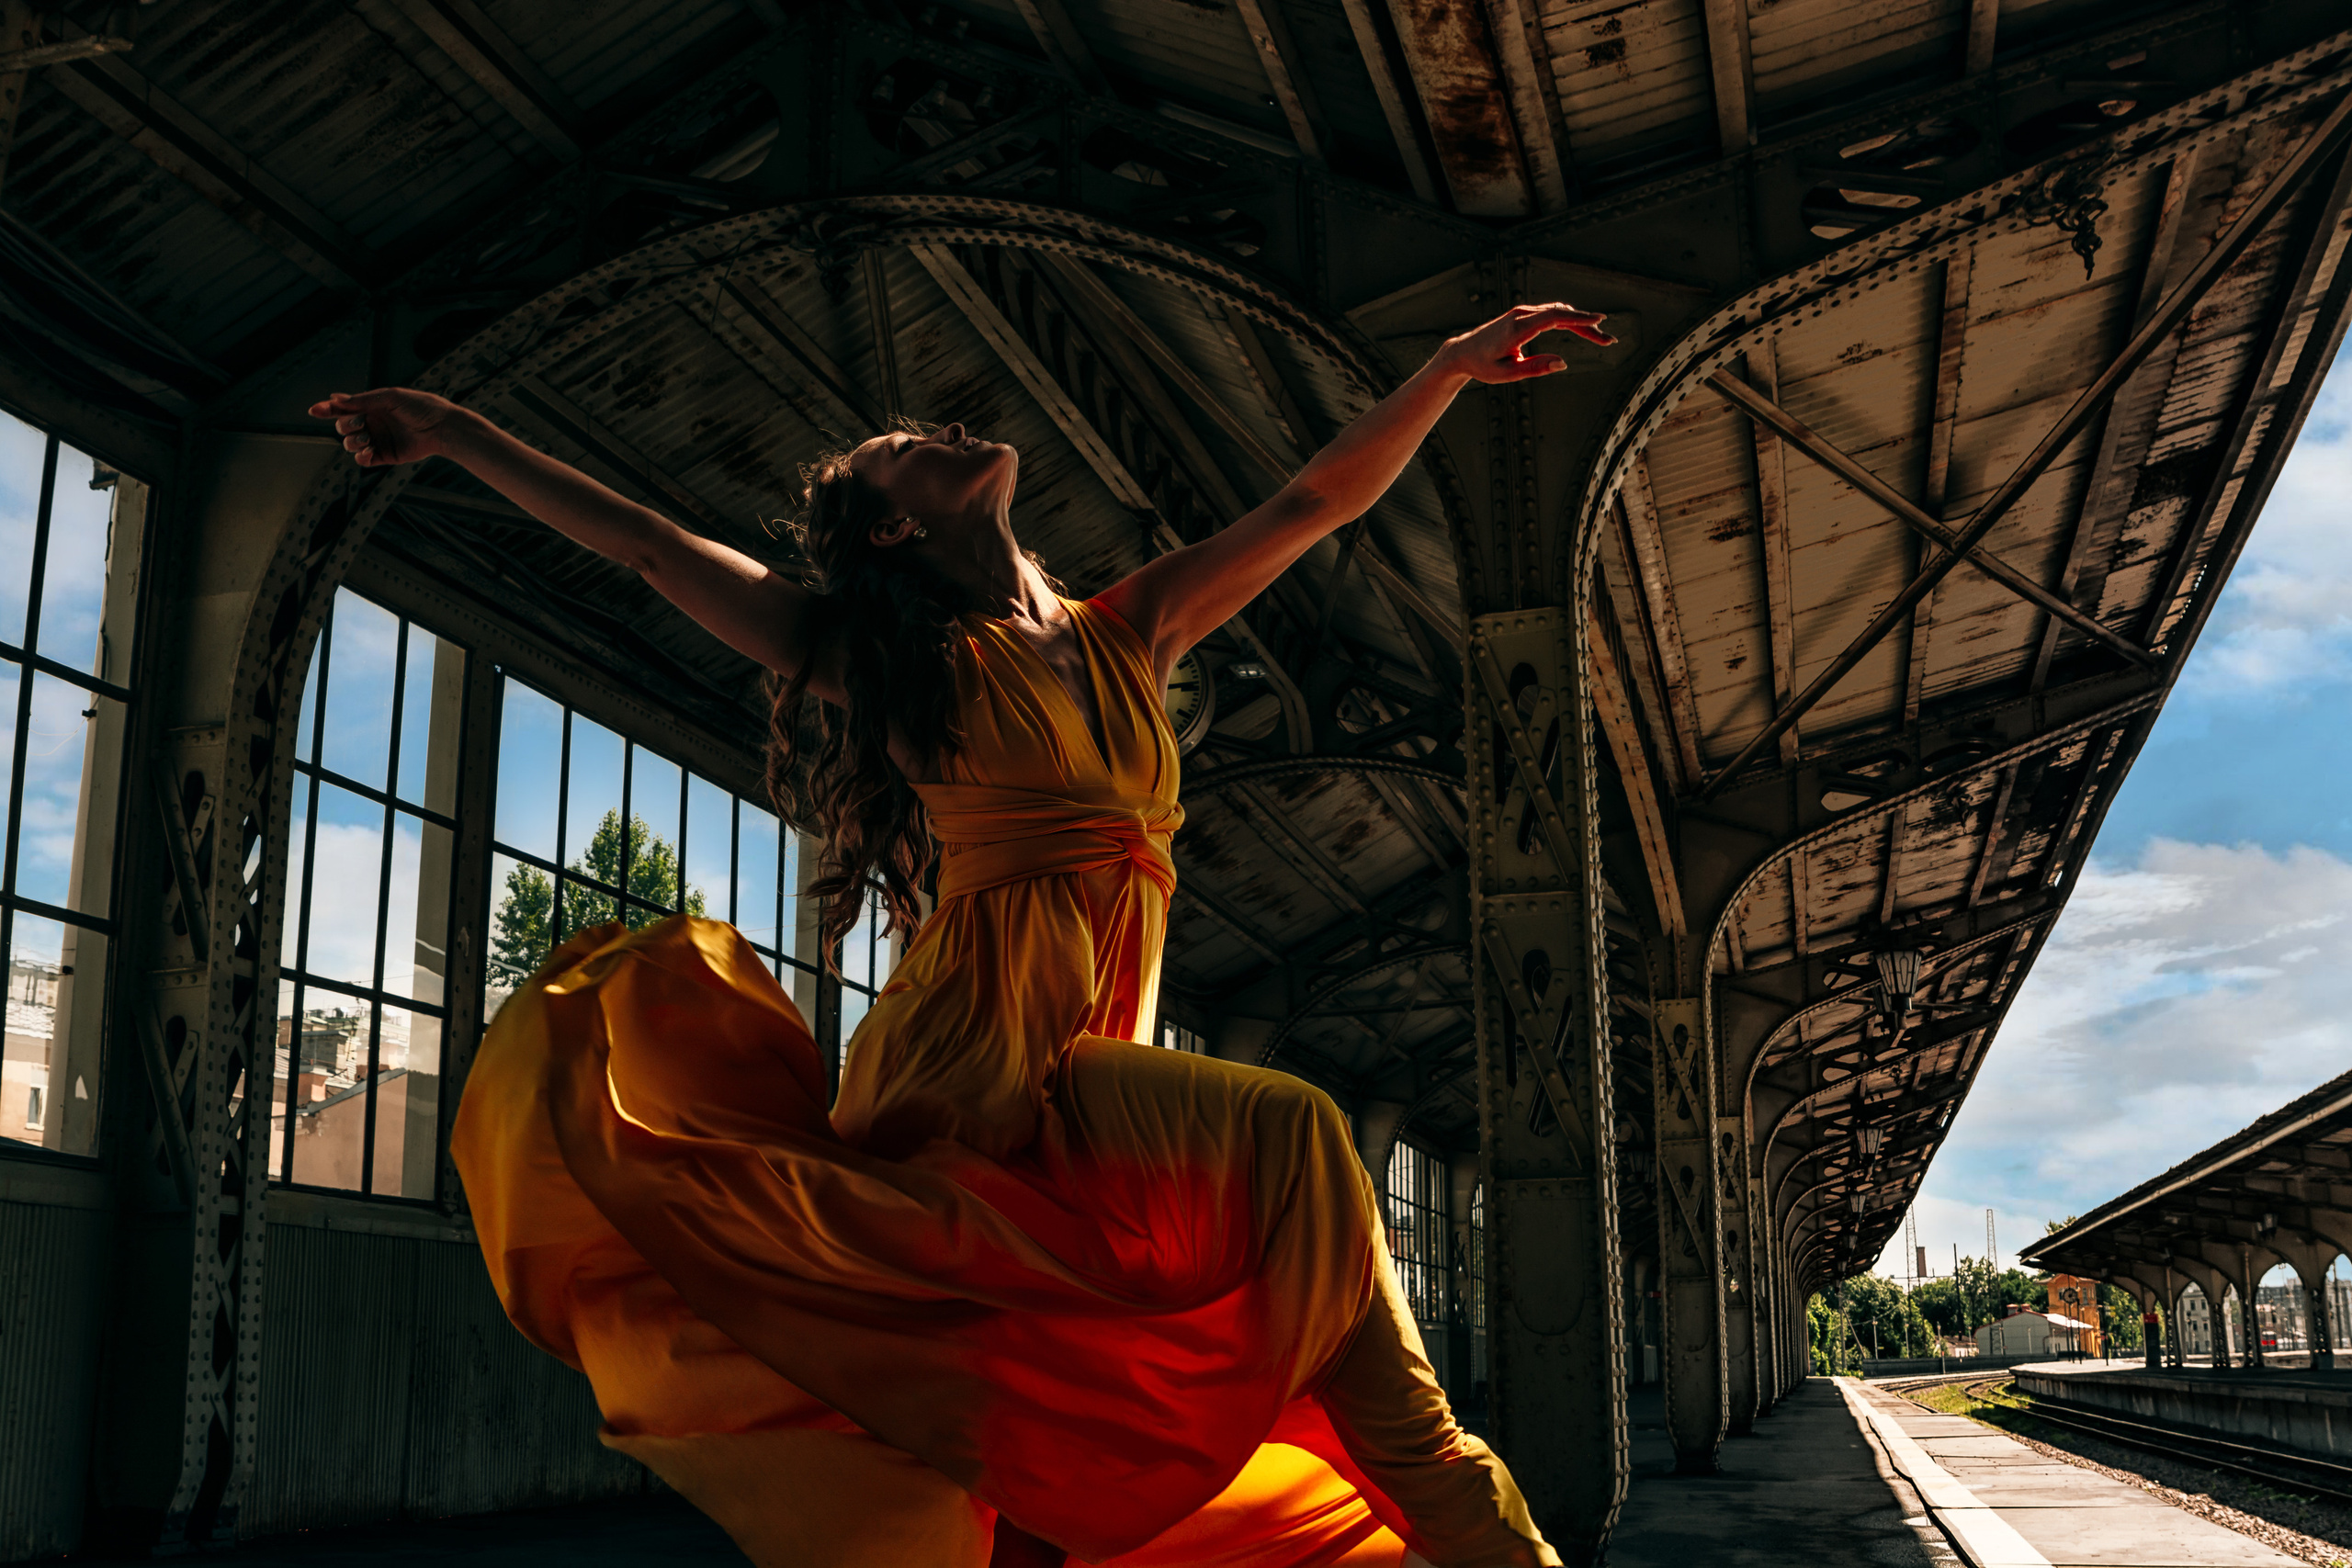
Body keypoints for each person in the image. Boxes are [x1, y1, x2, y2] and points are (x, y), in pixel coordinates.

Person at [310, 299, 1611, 1568]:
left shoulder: (1129, 631)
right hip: (973, 1055)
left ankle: (1467, 1527)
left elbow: (1314, 502)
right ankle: (1476, 1529)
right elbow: (650, 545)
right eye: (906, 448)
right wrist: (454, 430)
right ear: (894, 524)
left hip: (1093, 1048)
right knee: (1292, 1137)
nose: (940, 429)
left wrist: (1443, 370)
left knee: (1057, 1408)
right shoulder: (900, 661)